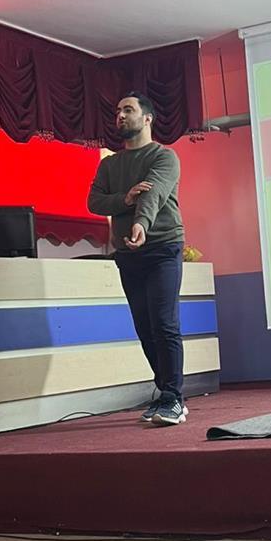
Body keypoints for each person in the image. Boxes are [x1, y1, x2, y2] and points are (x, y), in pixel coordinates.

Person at [87, 95, 186, 426]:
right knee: (144, 327)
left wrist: (141, 223)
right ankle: (168, 392)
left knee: (164, 323)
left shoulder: (164, 156)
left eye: (128, 110)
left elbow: (153, 193)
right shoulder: (109, 165)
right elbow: (94, 202)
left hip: (162, 247)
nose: (120, 115)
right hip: (128, 255)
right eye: (117, 111)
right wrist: (124, 198)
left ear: (147, 118)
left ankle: (172, 397)